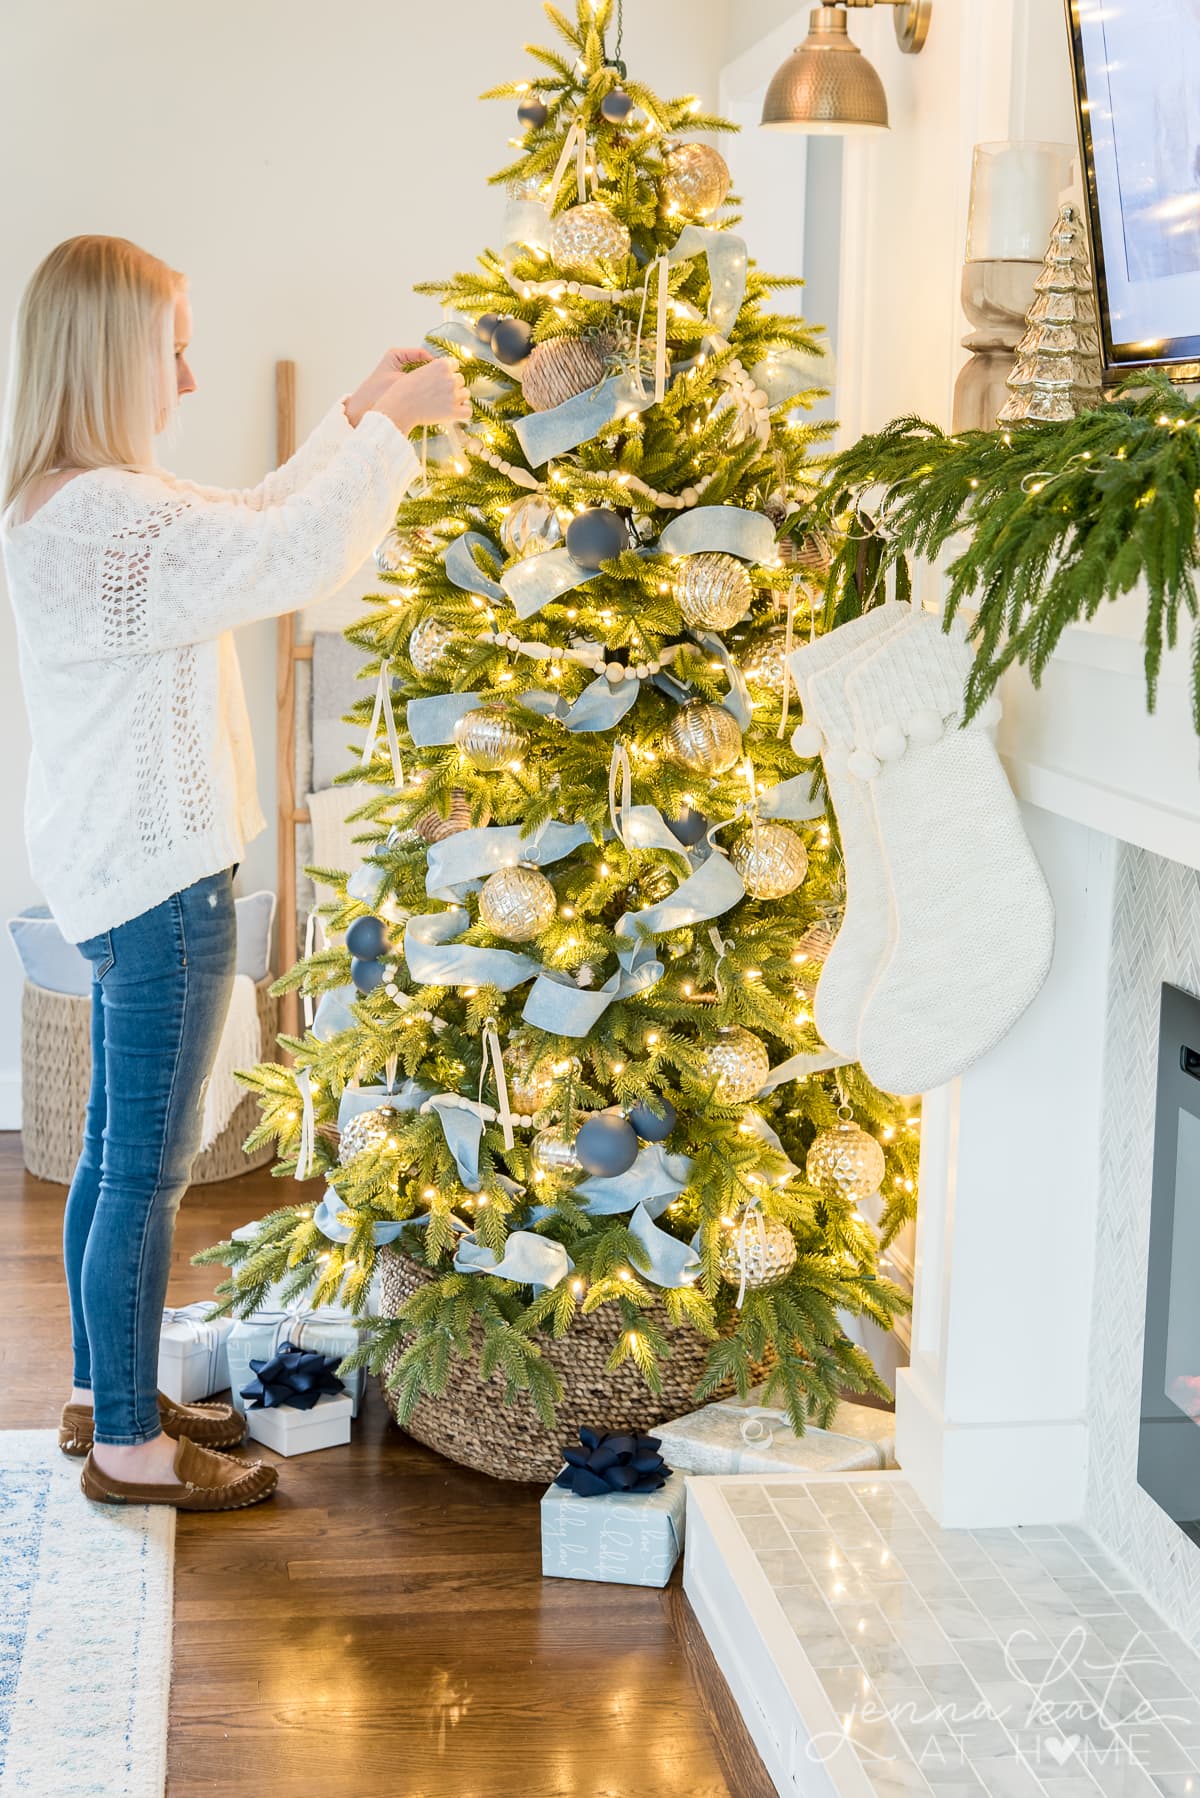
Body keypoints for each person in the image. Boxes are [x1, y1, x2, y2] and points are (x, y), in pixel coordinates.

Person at [1, 234, 468, 1511]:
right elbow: (284, 557)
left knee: (112, 1154)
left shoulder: (82, 506)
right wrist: (391, 436)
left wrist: (359, 413)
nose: (191, 377)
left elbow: (253, 518)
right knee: (143, 1170)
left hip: (123, 884)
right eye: (175, 348)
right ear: (111, 357)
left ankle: (107, 1396)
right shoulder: (108, 523)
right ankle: (129, 1453)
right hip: (160, 895)